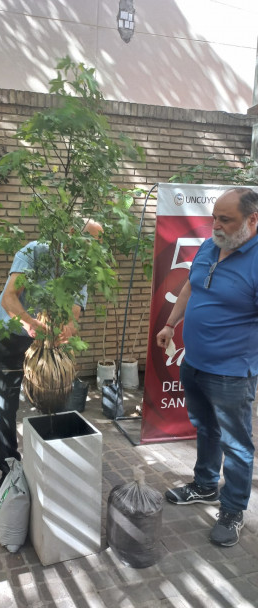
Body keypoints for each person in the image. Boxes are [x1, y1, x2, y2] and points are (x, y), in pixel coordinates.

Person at [157, 187, 258, 547]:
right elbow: (190, 286)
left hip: (232, 373)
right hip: (194, 362)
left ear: (253, 220)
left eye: (225, 220)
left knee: (237, 444)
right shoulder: (210, 245)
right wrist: (171, 325)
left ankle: (232, 511)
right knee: (205, 429)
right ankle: (204, 486)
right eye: (213, 217)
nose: (215, 225)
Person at [0, 220, 102, 477]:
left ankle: (52, 460)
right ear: (70, 234)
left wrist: (69, 326)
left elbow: (74, 311)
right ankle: (10, 471)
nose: (93, 251)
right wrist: (29, 323)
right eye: (90, 243)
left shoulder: (81, 267)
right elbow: (9, 298)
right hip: (8, 336)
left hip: (43, 340)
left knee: (54, 396)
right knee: (4, 407)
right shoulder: (34, 252)